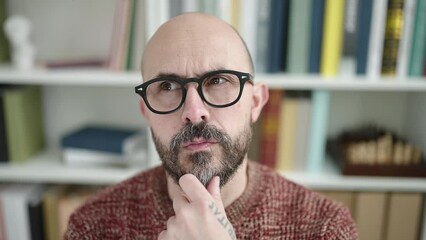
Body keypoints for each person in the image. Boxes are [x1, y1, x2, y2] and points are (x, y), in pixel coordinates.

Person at [65, 13, 358, 239]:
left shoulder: (325, 228)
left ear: (256, 102)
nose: (194, 112)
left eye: (218, 81)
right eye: (167, 86)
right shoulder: (93, 226)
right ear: (145, 112)